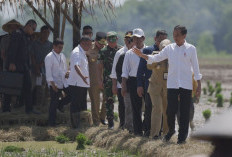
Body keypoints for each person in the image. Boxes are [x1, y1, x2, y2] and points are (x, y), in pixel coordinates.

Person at [132, 25, 202, 144]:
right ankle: (170, 131)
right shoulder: (169, 48)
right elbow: (156, 58)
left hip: (186, 85)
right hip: (172, 85)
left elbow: (196, 68)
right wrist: (142, 55)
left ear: (184, 35)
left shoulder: (191, 49)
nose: (175, 37)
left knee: (184, 113)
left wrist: (199, 86)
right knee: (170, 111)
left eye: (177, 35)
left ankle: (181, 138)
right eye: (174, 35)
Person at [3, 19, 38, 114]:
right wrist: (11, 63)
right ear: (28, 26)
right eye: (33, 29)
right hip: (15, 65)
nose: (33, 31)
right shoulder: (17, 33)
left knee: (28, 86)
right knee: (9, 87)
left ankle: (29, 109)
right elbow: (12, 49)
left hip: (24, 66)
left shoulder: (26, 37)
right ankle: (6, 109)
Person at [137, 30, 167, 137]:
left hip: (165, 86)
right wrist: (139, 85)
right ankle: (149, 131)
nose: (162, 43)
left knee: (163, 109)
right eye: (160, 40)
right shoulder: (149, 50)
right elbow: (141, 70)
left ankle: (161, 132)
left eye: (164, 40)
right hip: (150, 85)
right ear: (155, 39)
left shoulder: (169, 52)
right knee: (150, 109)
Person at [121, 28, 147, 136]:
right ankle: (137, 131)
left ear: (143, 38)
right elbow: (125, 71)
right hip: (133, 80)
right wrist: (123, 85)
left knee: (148, 107)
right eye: (134, 38)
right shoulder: (129, 53)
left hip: (146, 81)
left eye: (138, 38)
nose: (136, 40)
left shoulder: (148, 51)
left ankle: (147, 128)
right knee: (135, 108)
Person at [147, 39, 171, 140]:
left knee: (167, 111)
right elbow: (149, 66)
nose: (164, 49)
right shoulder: (155, 55)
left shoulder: (173, 57)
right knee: (157, 109)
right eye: (163, 47)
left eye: (166, 48)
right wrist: (158, 60)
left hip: (166, 89)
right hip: (155, 88)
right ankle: (154, 134)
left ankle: (166, 133)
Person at [110, 31, 134, 129]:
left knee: (132, 106)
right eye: (127, 38)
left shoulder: (136, 52)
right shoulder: (120, 53)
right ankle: (122, 124)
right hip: (121, 84)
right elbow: (115, 71)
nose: (128, 40)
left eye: (130, 39)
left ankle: (131, 125)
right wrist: (114, 85)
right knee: (122, 105)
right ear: (124, 39)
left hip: (132, 84)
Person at [98, 31, 122, 129]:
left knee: (122, 101)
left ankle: (122, 122)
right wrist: (99, 80)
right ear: (107, 40)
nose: (112, 43)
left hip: (120, 79)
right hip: (108, 80)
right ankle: (110, 122)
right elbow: (99, 67)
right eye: (110, 40)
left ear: (117, 39)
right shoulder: (103, 51)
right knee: (109, 101)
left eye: (114, 40)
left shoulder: (121, 50)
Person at [68, 36, 92, 128]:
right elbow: (76, 66)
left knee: (82, 105)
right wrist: (82, 77)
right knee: (75, 105)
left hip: (82, 83)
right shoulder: (77, 52)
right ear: (83, 43)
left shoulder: (82, 52)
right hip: (77, 83)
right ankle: (75, 126)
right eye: (89, 44)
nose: (90, 46)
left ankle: (81, 124)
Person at [45, 38, 69, 126]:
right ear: (54, 46)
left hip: (63, 81)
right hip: (54, 82)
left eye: (62, 47)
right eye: (59, 47)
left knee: (70, 95)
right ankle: (51, 122)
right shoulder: (49, 57)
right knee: (53, 103)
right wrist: (52, 84)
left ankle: (60, 104)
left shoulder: (62, 55)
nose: (60, 49)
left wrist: (67, 73)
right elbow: (48, 72)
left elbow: (64, 68)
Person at [86, 32, 107, 125]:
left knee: (107, 99)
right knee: (95, 101)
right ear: (96, 40)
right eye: (100, 43)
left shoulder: (107, 47)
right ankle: (96, 121)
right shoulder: (89, 48)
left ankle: (103, 117)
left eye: (103, 43)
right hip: (93, 79)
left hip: (105, 78)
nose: (102, 45)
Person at [31, 25, 53, 106]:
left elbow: (50, 57)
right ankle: (33, 105)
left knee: (42, 89)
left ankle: (41, 106)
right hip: (34, 70)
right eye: (44, 32)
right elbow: (32, 55)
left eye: (48, 33)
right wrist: (36, 67)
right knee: (33, 88)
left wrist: (40, 65)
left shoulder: (50, 45)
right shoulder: (34, 43)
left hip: (45, 70)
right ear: (41, 33)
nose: (46, 34)